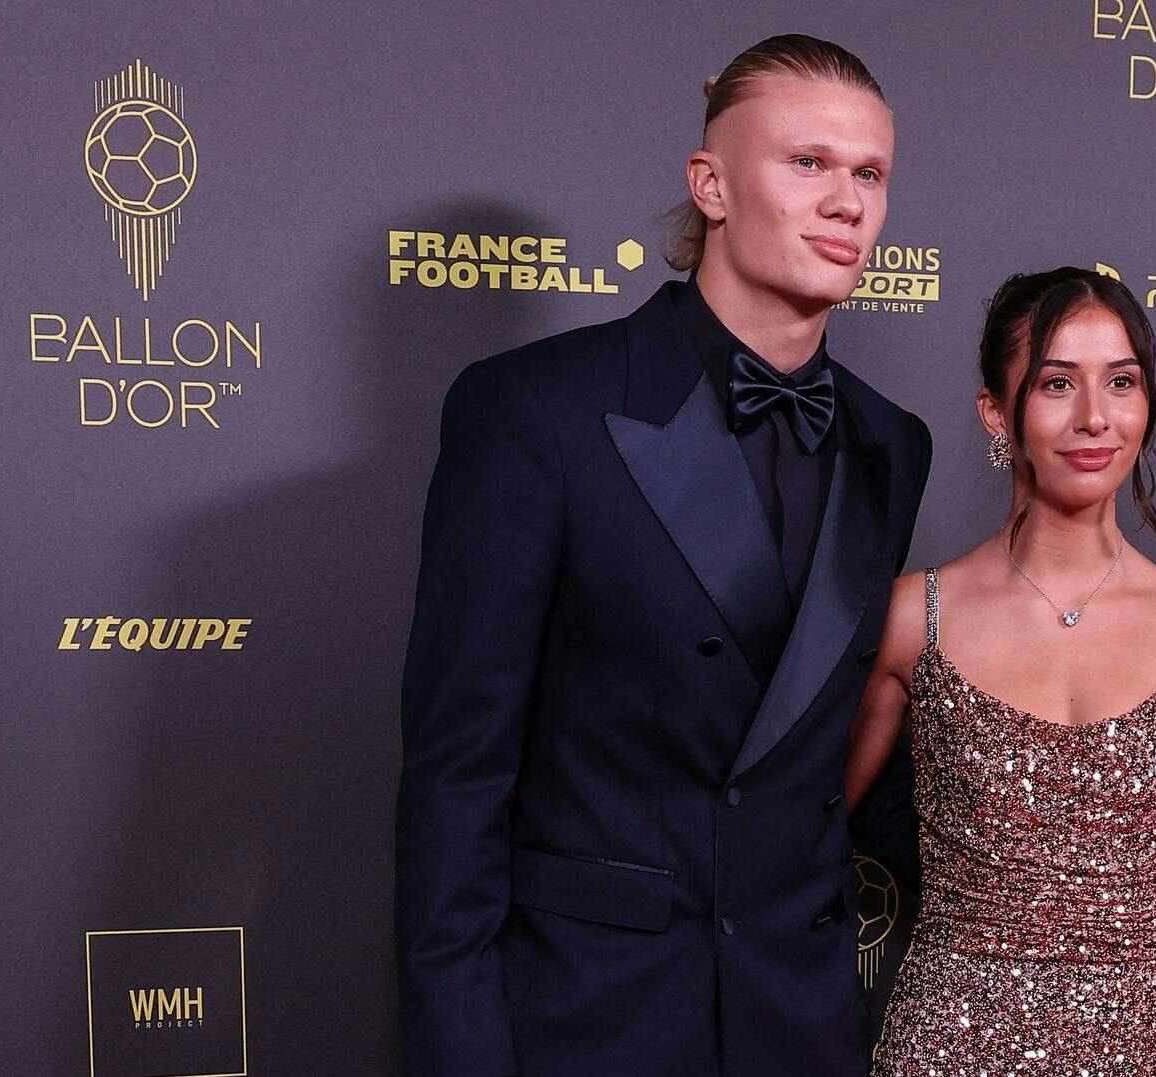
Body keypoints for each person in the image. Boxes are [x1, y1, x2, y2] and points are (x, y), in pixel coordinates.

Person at [396, 35, 933, 1077]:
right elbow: (455, 786)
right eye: (807, 163)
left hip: (801, 1022)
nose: (847, 202)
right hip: (592, 1020)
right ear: (713, 185)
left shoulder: (890, 444)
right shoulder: (536, 411)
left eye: (870, 174)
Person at [845, 267, 1156, 1075]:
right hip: (948, 1047)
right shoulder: (912, 618)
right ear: (996, 411)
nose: (1094, 417)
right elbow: (795, 827)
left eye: (1121, 382)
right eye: (1056, 383)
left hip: (1144, 1050)